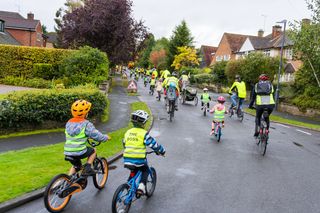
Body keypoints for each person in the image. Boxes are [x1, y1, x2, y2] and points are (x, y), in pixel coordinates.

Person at [123, 110, 165, 195]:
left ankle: (128, 185)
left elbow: (124, 143)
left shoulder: (128, 132)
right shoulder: (144, 134)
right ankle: (141, 186)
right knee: (145, 169)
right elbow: (154, 144)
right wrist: (161, 151)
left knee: (133, 170)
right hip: (139, 160)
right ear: (143, 123)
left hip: (126, 159)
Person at [64, 100, 110, 176]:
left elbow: (76, 135)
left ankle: (66, 181)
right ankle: (88, 168)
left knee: (76, 166)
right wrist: (105, 137)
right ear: (86, 113)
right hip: (79, 151)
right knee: (93, 150)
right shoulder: (86, 124)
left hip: (68, 151)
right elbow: (95, 135)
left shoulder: (69, 123)